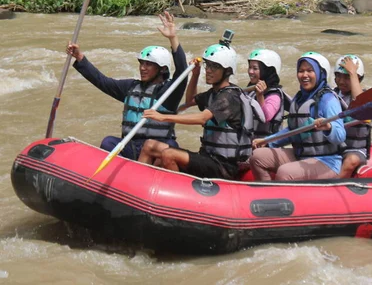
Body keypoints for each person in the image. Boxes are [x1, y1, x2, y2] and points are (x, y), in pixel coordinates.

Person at [66, 12, 187, 160]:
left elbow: (182, 71)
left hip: (155, 148)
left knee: (171, 146)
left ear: (162, 69)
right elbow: (102, 81)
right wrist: (80, 58)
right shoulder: (130, 87)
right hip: (131, 146)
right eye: (141, 63)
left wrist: (173, 38)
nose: (142, 68)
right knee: (108, 142)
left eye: (148, 64)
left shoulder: (168, 92)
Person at [137, 40, 264, 179]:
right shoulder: (213, 93)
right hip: (207, 158)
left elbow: (202, 118)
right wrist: (195, 75)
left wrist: (162, 117)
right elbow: (190, 100)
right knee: (150, 145)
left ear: (227, 71)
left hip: (224, 166)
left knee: (169, 154)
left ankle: (180, 192)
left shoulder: (229, 97)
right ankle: (138, 184)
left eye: (214, 67)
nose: (208, 70)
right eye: (207, 65)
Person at [250, 52, 346, 181]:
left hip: (327, 160)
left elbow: (340, 135)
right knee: (256, 156)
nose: (304, 75)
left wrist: (328, 127)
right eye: (301, 71)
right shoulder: (299, 98)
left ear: (320, 73)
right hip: (301, 155)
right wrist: (267, 141)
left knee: (285, 172)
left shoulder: (328, 99)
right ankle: (267, 193)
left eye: (309, 71)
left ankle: (279, 199)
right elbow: (292, 131)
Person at [333, 54, 372, 178]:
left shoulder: (365, 97)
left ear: (358, 79)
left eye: (347, 77)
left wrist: (353, 72)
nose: (341, 81)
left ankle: (333, 189)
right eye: (338, 76)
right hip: (333, 148)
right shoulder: (331, 94)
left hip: (355, 149)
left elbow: (359, 103)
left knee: (351, 161)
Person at [246, 49, 286, 138]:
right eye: (250, 67)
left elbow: (266, 117)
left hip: (267, 145)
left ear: (267, 70)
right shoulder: (250, 91)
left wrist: (260, 96)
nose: (250, 71)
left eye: (255, 68)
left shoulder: (275, 95)